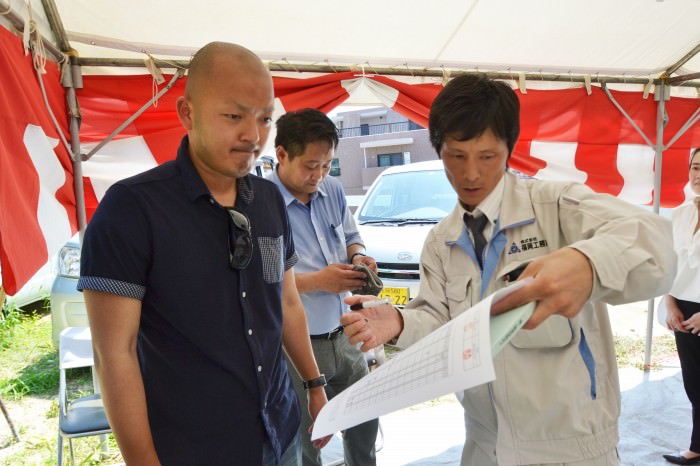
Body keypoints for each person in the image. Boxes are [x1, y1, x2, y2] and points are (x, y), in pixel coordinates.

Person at [341, 73, 677, 466]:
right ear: (438, 150)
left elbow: (657, 245)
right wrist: (398, 322)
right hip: (485, 445)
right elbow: (440, 321)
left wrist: (589, 263)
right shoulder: (440, 240)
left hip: (570, 446)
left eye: (487, 157)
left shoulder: (555, 206)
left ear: (509, 149)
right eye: (456, 156)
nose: (470, 174)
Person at [77, 42, 330, 466]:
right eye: (234, 115)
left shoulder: (269, 200)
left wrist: (315, 384)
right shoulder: (132, 209)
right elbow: (113, 354)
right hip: (193, 448)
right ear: (186, 112)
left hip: (280, 432)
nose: (253, 135)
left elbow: (286, 303)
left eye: (265, 118)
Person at [269, 108, 379, 466]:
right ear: (281, 154)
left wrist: (359, 256)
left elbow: (351, 235)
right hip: (295, 348)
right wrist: (320, 281)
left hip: (345, 333)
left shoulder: (331, 190)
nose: (319, 175)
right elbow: (260, 282)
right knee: (307, 441)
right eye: (310, 165)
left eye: (327, 165)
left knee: (364, 424)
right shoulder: (260, 204)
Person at [662, 147, 700, 465]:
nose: (698, 175)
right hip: (683, 307)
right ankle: (697, 445)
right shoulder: (679, 213)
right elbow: (668, 265)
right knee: (694, 382)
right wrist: (670, 303)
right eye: (696, 167)